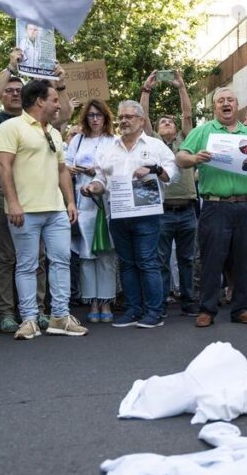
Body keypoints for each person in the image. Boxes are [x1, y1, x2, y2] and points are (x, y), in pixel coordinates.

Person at [175, 86, 247, 327]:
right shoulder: (202, 132)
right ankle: (207, 310)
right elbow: (180, 158)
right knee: (212, 259)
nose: (226, 104)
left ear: (237, 105)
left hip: (246, 206)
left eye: (230, 100)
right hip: (215, 206)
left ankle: (241, 309)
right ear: (215, 106)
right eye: (220, 100)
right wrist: (194, 159)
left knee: (244, 259)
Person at [0, 79, 85, 340]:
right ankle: (29, 320)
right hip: (25, 210)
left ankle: (60, 316)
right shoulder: (10, 127)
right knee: (26, 265)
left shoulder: (54, 132)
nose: (59, 105)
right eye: (54, 99)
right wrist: (12, 202)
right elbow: (3, 167)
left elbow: (61, 169)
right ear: (39, 101)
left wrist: (69, 201)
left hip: (55, 209)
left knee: (61, 262)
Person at [86, 100, 177, 329]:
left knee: (147, 262)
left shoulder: (155, 146)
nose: (123, 120)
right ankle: (134, 310)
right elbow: (100, 179)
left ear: (141, 120)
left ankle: (154, 313)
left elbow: (171, 176)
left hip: (147, 215)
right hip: (118, 214)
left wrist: (154, 169)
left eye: (129, 116)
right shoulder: (108, 148)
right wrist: (92, 187)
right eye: (121, 116)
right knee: (126, 263)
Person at [0, 49, 46, 333]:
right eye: (10, 90)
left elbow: (65, 113)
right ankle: (7, 312)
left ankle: (37, 309)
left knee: (37, 256)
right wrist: (9, 68)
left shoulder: (37, 121)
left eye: (20, 90)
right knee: (6, 256)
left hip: (35, 195)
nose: (15, 94)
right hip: (1, 194)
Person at [143, 71, 200, 316]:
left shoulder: (186, 140)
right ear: (156, 130)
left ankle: (188, 302)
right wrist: (146, 91)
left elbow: (187, 114)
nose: (167, 123)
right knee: (161, 260)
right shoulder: (153, 142)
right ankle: (163, 301)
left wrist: (181, 87)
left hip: (188, 210)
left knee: (188, 259)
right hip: (162, 212)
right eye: (162, 122)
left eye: (171, 121)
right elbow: (143, 117)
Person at [65, 99, 119, 323]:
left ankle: (106, 300)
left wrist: (96, 171)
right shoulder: (77, 140)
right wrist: (75, 170)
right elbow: (65, 166)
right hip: (81, 200)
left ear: (106, 117)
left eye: (99, 115)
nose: (95, 119)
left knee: (105, 251)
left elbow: (118, 167)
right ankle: (92, 301)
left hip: (106, 201)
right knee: (86, 253)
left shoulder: (114, 141)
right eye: (91, 115)